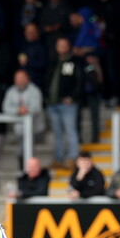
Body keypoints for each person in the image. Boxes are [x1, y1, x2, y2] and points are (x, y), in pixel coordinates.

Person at [44, 36, 84, 170]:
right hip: (52, 103)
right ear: (56, 47)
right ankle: (59, 158)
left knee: (70, 130)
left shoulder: (74, 62)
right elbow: (47, 80)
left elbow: (79, 82)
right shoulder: (53, 61)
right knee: (57, 132)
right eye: (59, 45)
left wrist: (72, 97)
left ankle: (72, 157)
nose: (62, 48)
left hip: (67, 104)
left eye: (64, 45)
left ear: (68, 46)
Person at [2, 67, 46, 166]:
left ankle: (30, 170)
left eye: (22, 78)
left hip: (34, 128)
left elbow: (37, 108)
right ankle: (24, 170)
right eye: (17, 78)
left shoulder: (35, 90)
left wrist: (26, 110)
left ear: (27, 78)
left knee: (28, 150)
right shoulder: (11, 91)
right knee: (21, 151)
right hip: (19, 129)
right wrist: (17, 110)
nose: (20, 81)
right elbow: (5, 107)